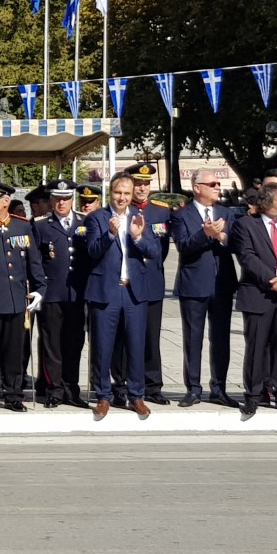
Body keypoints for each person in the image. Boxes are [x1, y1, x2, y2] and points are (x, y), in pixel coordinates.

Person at [84, 173, 158, 420]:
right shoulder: (97, 218)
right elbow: (92, 251)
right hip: (106, 290)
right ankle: (103, 396)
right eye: (118, 193)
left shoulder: (140, 217)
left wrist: (137, 236)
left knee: (136, 345)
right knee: (102, 346)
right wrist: (111, 235)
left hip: (134, 291)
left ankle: (136, 396)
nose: (122, 198)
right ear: (110, 193)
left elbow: (154, 251)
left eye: (127, 193)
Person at [231, 184, 277, 419]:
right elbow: (247, 257)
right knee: (256, 347)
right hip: (259, 294)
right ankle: (254, 395)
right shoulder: (245, 225)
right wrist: (275, 282)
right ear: (265, 204)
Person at [171, 170, 239, 408]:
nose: (217, 187)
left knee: (220, 339)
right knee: (193, 339)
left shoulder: (226, 213)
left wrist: (221, 236)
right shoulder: (182, 215)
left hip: (221, 284)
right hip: (194, 284)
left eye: (218, 183)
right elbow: (183, 245)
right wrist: (204, 234)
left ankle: (219, 388)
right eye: (212, 184)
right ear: (197, 187)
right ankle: (193, 389)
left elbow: (237, 243)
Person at [0, 180, 44, 413]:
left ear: (6, 202)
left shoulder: (22, 227)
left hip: (16, 299)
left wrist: (39, 289)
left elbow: (33, 262)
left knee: (15, 351)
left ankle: (13, 394)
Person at [113, 165, 171, 407]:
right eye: (138, 183)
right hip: (127, 282)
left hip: (151, 282)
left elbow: (162, 250)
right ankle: (120, 384)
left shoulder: (161, 212)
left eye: (146, 183)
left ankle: (152, 385)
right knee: (122, 337)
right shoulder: (123, 210)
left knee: (150, 336)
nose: (143, 188)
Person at [31, 180, 90, 409]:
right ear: (51, 200)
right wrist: (39, 288)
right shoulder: (41, 226)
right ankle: (54, 390)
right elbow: (36, 261)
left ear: (72, 199)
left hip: (77, 294)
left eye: (65, 198)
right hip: (52, 294)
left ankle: (71, 389)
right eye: (57, 198)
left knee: (74, 343)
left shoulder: (84, 223)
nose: (61, 202)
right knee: (51, 344)